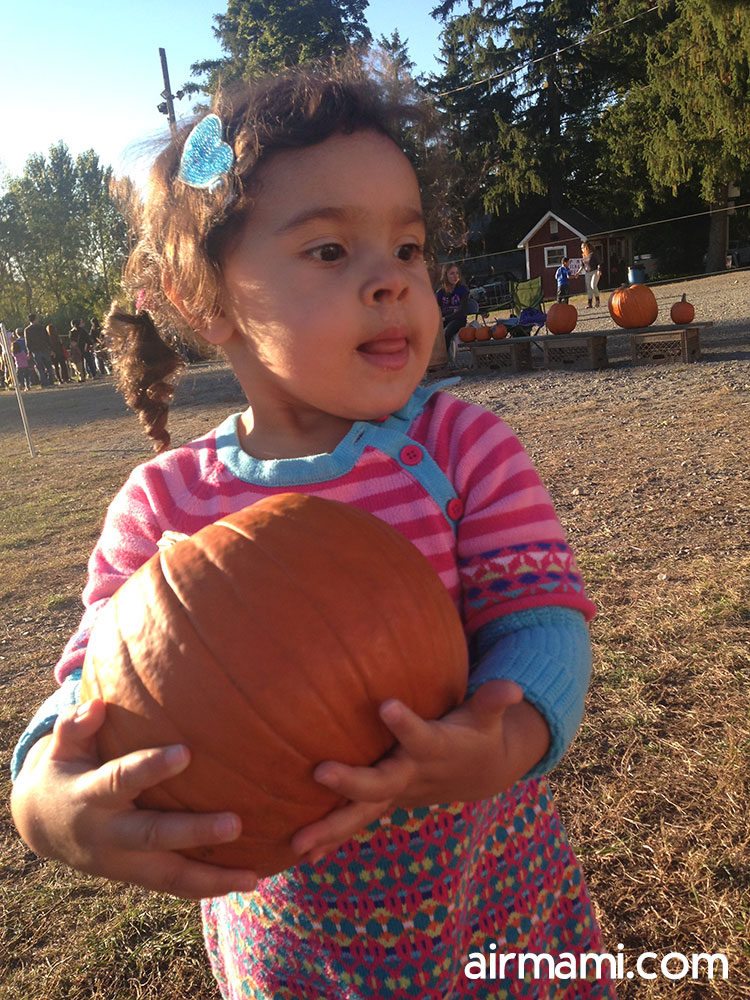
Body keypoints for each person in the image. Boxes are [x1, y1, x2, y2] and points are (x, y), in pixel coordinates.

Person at [10, 69, 614, 1000]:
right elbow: (97, 680)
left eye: (408, 247)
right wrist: (44, 798)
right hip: (293, 949)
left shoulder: (460, 448)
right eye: (332, 250)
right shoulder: (165, 504)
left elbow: (542, 617)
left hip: (494, 905)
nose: (391, 282)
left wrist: (503, 743)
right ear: (206, 300)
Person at [436, 262, 470, 349]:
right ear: (445, 275)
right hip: (444, 319)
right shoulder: (440, 293)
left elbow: (461, 312)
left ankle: (445, 358)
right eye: (452, 273)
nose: (455, 276)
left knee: (447, 332)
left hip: (458, 320)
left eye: (457, 273)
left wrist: (445, 317)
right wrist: (451, 311)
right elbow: (437, 311)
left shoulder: (463, 290)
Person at [24, 312, 56, 386]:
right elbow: (47, 339)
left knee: (40, 367)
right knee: (48, 366)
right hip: (44, 348)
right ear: (35, 319)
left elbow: (28, 342)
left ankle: (44, 382)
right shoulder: (42, 327)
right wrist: (50, 348)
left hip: (35, 350)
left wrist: (29, 351)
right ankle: (51, 381)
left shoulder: (27, 330)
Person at [581, 242, 602, 308]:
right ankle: (589, 303)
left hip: (595, 271)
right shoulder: (584, 256)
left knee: (593, 285)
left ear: (586, 247)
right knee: (589, 288)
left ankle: (597, 300)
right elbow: (582, 266)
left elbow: (599, 263)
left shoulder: (593, 254)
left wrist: (599, 270)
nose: (581, 249)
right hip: (587, 272)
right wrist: (578, 273)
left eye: (582, 248)